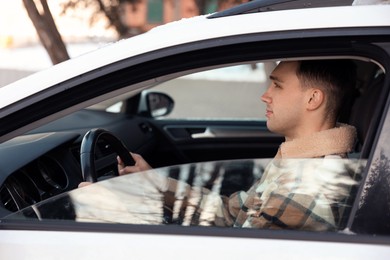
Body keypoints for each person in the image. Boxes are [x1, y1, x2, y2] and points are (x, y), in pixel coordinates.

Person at [87, 60, 358, 230]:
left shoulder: (305, 188)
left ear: (312, 99)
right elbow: (230, 213)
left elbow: (226, 249)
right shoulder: (300, 161)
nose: (265, 95)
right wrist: (152, 183)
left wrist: (116, 210)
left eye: (277, 85)